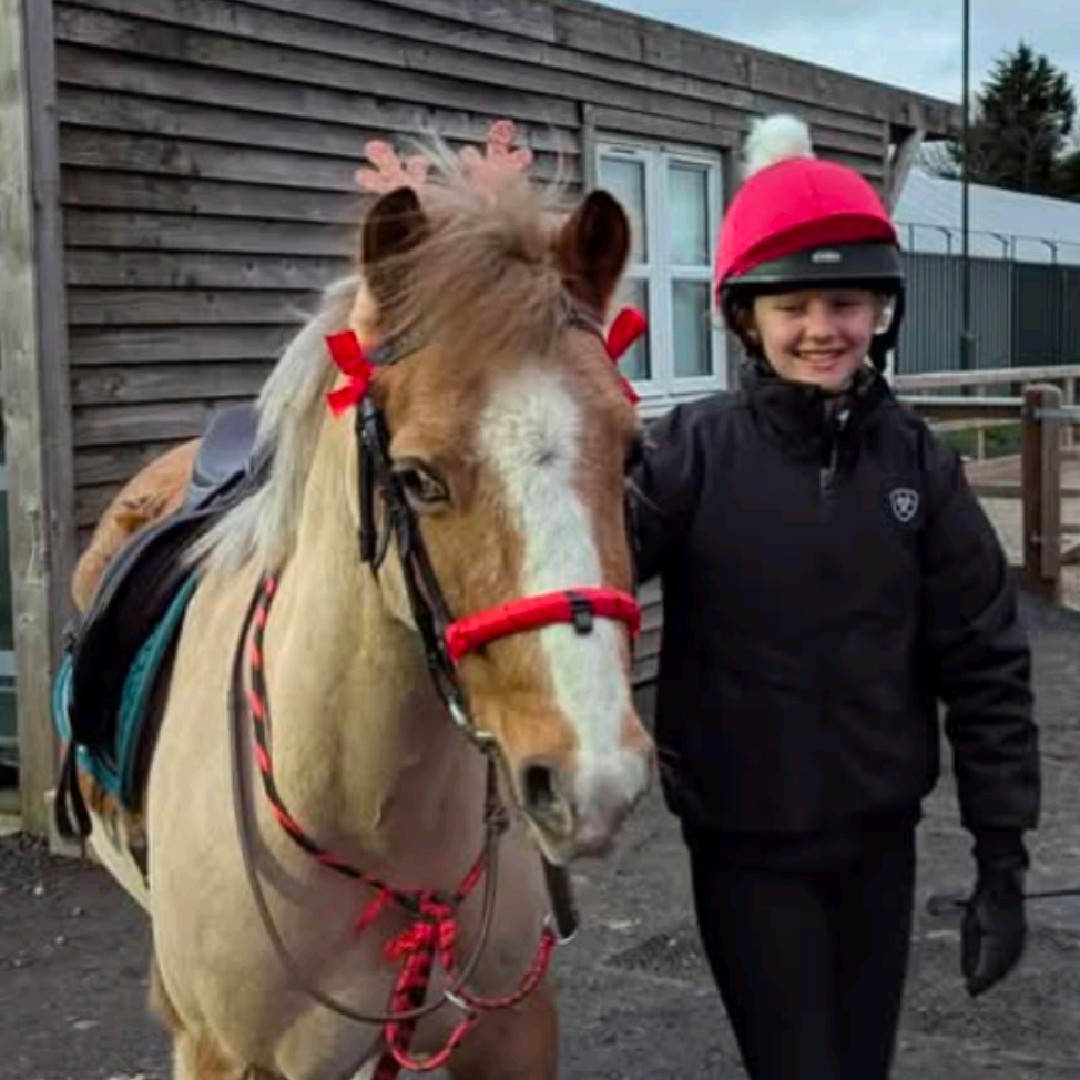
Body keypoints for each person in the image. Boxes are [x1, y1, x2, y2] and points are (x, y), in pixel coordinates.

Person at [628, 114, 1040, 1079]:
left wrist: (1003, 858)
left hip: (876, 841)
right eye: (794, 306)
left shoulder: (919, 466)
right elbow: (577, 579)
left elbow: (985, 661)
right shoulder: (686, 455)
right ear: (747, 318)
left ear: (880, 310)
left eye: (846, 302)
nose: (822, 329)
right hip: (745, 844)